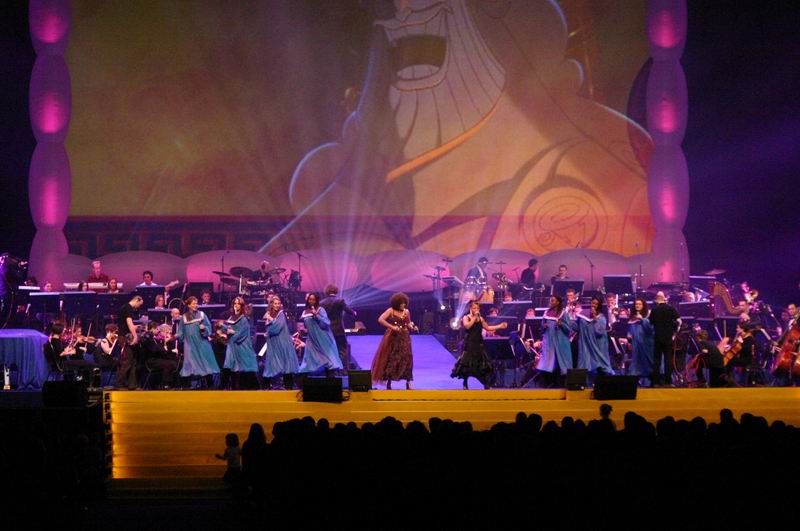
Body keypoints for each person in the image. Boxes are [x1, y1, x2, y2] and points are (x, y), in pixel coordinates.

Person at [451, 300, 507, 389]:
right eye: (474, 308)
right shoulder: (466, 317)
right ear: (470, 309)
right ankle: (465, 383)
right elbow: (467, 326)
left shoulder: (481, 318)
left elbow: (487, 327)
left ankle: (485, 383)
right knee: (467, 363)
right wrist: (474, 317)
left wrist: (499, 326)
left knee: (482, 364)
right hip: (469, 343)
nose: (476, 310)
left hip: (479, 343)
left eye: (477, 308)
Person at [371, 292, 417, 389]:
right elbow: (380, 319)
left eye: (404, 303)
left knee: (407, 357)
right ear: (397, 303)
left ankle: (408, 381)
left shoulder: (406, 312)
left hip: (404, 337)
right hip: (392, 337)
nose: (403, 305)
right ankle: (389, 381)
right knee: (392, 357)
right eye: (401, 303)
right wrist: (392, 327)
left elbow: (408, 323)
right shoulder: (390, 310)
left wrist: (413, 327)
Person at [176, 296, 220, 387]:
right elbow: (180, 332)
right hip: (190, 345)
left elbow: (208, 328)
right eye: (193, 304)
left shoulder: (202, 315)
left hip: (202, 343)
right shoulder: (184, 318)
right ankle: (191, 386)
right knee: (191, 365)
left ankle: (210, 385)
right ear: (189, 305)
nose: (196, 305)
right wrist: (184, 340)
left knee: (205, 363)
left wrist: (204, 329)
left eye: (196, 303)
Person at [298, 292, 343, 375]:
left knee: (328, 359)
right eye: (310, 299)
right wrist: (303, 330)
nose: (311, 301)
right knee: (309, 359)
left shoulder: (320, 310)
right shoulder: (305, 312)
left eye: (313, 300)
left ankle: (331, 379)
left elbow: (326, 323)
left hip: (322, 337)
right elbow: (307, 325)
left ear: (316, 301)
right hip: (312, 339)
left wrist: (316, 315)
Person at [263, 296, 300, 389]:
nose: (277, 305)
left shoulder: (281, 314)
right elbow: (269, 328)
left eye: (278, 303)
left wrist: (270, 320)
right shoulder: (269, 314)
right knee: (271, 363)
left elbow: (276, 328)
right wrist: (267, 330)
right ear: (271, 304)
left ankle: (289, 387)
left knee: (286, 364)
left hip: (282, 342)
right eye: (275, 303)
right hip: (273, 343)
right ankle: (266, 388)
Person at [223, 296, 259, 389]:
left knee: (244, 367)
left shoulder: (243, 319)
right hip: (232, 345)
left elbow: (242, 333)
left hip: (242, 345)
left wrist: (232, 333)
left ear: (241, 306)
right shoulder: (231, 317)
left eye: (238, 304)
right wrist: (226, 329)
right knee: (230, 366)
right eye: (235, 303)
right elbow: (227, 328)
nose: (236, 305)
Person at [537, 295, 573, 386]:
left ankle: (560, 385)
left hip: (560, 342)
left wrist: (561, 324)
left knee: (561, 363)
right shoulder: (546, 313)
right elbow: (541, 329)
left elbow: (569, 330)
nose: (550, 302)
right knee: (548, 363)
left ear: (558, 302)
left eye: (553, 301)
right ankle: (548, 385)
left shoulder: (563, 313)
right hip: (549, 342)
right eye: (550, 300)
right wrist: (544, 326)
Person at [320, 284, 357, 369]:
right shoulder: (340, 301)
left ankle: (330, 366)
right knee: (342, 348)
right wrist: (354, 313)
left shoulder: (321, 303)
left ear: (326, 292)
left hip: (326, 330)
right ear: (336, 291)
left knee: (329, 348)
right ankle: (342, 367)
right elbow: (349, 311)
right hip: (338, 330)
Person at [573, 296, 613, 375]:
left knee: (600, 363)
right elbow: (576, 327)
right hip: (585, 342)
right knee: (585, 360)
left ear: (599, 305)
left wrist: (595, 320)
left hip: (598, 343)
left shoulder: (601, 317)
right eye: (593, 303)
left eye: (596, 304)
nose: (593, 305)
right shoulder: (583, 314)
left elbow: (599, 332)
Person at [649, 291, 681, 387]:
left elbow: (651, 324)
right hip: (668, 338)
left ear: (657, 300)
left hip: (658, 338)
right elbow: (679, 321)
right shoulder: (671, 309)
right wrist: (675, 331)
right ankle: (668, 382)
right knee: (668, 359)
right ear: (664, 299)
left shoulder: (654, 310)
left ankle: (656, 382)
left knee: (657, 360)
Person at [115, 295, 144, 390]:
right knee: (127, 361)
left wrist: (136, 327)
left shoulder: (123, 308)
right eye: (139, 305)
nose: (138, 307)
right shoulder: (128, 308)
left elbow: (125, 324)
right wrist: (135, 336)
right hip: (125, 337)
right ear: (137, 300)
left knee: (132, 361)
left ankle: (132, 384)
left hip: (123, 335)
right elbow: (129, 323)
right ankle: (119, 383)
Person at [626, 297, 656, 386]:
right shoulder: (632, 317)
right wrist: (629, 338)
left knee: (648, 362)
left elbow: (650, 329)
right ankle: (634, 381)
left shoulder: (648, 316)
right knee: (636, 363)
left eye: (639, 304)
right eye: (636, 304)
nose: (637, 306)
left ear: (643, 306)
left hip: (646, 343)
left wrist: (642, 319)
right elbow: (630, 329)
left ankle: (652, 381)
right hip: (636, 344)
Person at [140, 322, 179, 389]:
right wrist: (165, 349)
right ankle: (165, 384)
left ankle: (164, 383)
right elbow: (154, 349)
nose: (158, 331)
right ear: (153, 329)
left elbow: (156, 348)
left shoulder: (150, 337)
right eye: (157, 329)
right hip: (151, 361)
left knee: (170, 362)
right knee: (171, 364)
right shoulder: (148, 338)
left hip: (154, 359)